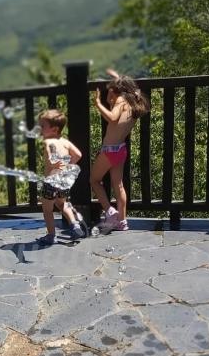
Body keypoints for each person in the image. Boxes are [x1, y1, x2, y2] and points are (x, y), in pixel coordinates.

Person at [91, 69, 149, 233]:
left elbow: (112, 118)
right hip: (121, 149)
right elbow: (126, 88)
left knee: (94, 180)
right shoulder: (133, 100)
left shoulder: (121, 101)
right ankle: (122, 221)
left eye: (111, 89)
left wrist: (98, 103)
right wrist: (116, 77)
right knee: (119, 185)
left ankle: (110, 212)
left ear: (118, 90)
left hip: (109, 151)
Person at [36, 109, 84, 244]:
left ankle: (51, 236)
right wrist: (68, 164)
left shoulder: (48, 142)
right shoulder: (65, 142)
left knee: (47, 210)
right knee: (62, 204)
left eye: (43, 126)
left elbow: (51, 156)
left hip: (51, 181)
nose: (40, 129)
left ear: (54, 129)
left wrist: (52, 163)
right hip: (64, 180)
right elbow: (78, 155)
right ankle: (75, 225)